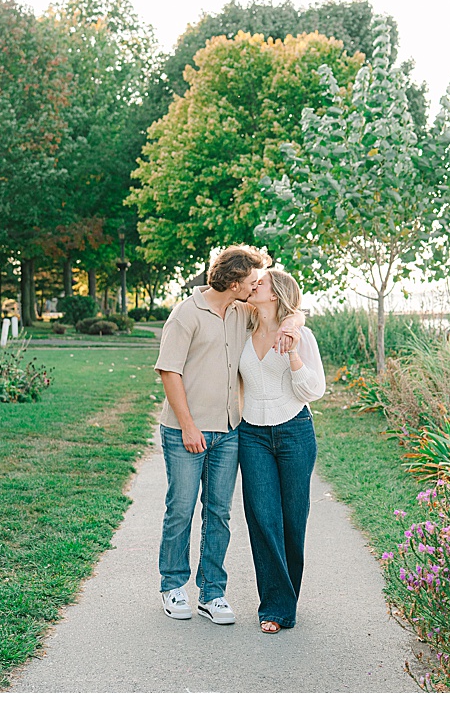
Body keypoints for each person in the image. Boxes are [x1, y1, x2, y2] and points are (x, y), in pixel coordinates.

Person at [153, 245, 300, 625]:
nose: (256, 287)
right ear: (234, 282)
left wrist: (292, 325)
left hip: (230, 431)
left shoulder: (242, 311)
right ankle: (173, 585)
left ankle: (212, 592)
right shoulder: (186, 314)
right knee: (181, 509)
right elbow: (170, 371)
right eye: (252, 281)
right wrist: (188, 425)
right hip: (186, 430)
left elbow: (290, 308)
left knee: (218, 513)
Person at [237, 268, 326, 634]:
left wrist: (292, 353)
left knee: (292, 521)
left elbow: (313, 390)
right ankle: (275, 607)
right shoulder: (241, 326)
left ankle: (285, 603)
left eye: (261, 283)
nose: (253, 285)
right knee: (262, 519)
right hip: (252, 434)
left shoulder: (300, 335)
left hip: (294, 432)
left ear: (276, 294)